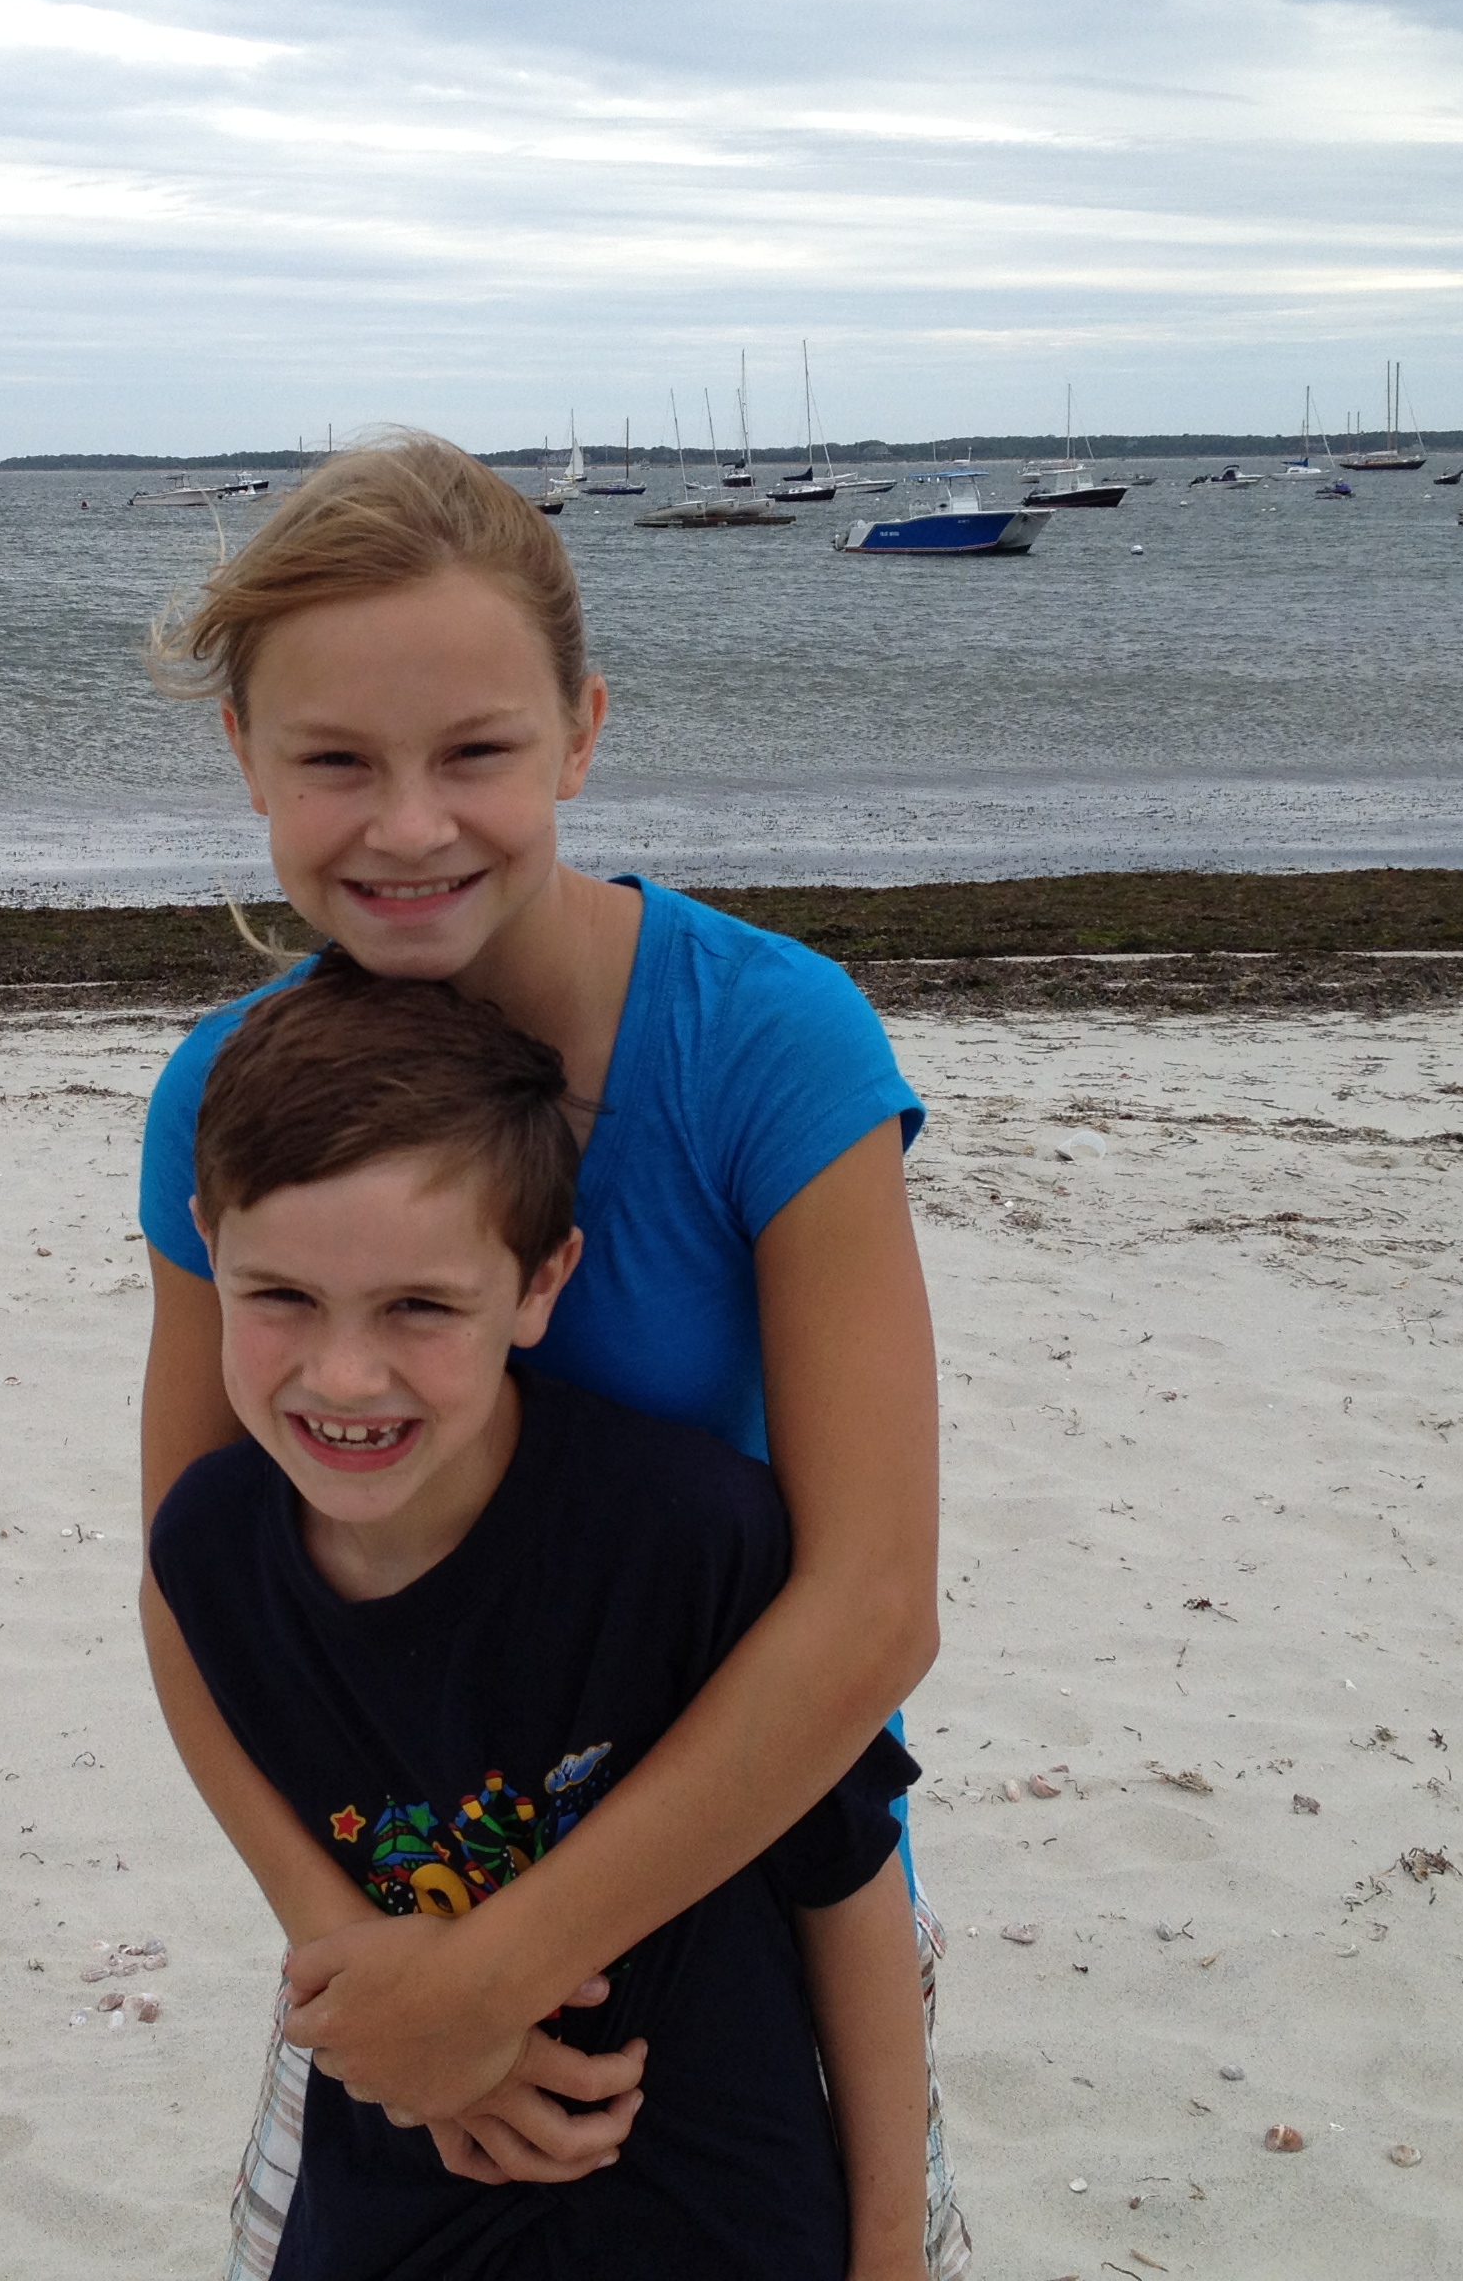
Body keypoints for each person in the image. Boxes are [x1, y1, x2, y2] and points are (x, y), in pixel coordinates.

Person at [134, 432, 967, 2275]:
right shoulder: (226, 1096)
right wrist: (383, 1986)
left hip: (760, 1887)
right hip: (389, 1914)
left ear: (581, 735)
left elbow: (874, 1608)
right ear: (247, 758)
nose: (407, 826)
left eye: (476, 754)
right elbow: (196, 1585)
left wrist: (497, 1977)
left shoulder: (769, 1047)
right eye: (335, 762)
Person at [151, 957, 927, 2279]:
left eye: (419, 1306)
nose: (346, 1375)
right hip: (393, 2189)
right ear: (206, 1250)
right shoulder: (212, 1550)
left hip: (722, 2217)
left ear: (540, 1282)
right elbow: (219, 1712)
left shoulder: (694, 1541)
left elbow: (848, 1888)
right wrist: (413, 2030)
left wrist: (892, 2249)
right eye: (282, 1297)